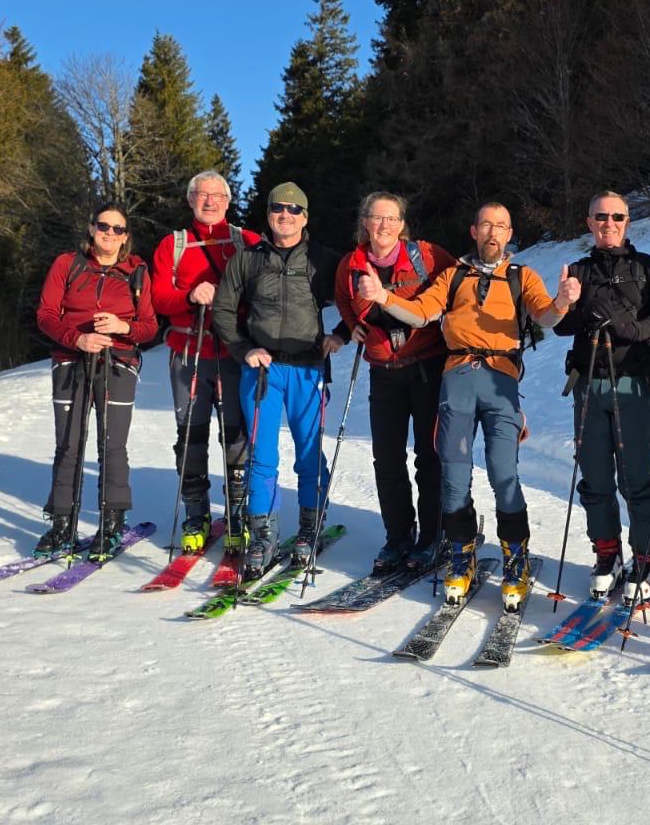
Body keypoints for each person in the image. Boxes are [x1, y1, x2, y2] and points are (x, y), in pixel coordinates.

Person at [355, 201, 581, 610]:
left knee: (503, 472)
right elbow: (422, 314)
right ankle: (461, 551)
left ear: (510, 234)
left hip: (501, 380)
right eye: (486, 225)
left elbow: (545, 315)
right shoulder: (453, 274)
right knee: (454, 474)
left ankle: (516, 556)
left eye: (502, 226)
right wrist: (383, 295)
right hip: (456, 379)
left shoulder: (521, 276)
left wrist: (563, 300)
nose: (493, 233)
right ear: (474, 231)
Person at [212, 182, 349, 581]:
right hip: (262, 372)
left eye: (293, 209)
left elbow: (355, 300)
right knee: (262, 457)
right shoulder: (248, 259)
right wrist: (242, 350)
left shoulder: (323, 260)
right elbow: (223, 309)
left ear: (305, 217)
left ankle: (310, 527)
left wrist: (339, 334)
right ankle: (262, 534)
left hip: (308, 370)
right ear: (268, 214)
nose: (284, 215)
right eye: (277, 209)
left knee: (309, 455)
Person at [552, 191, 650, 603]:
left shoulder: (648, 268)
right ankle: (607, 553)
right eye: (601, 216)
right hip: (589, 384)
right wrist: (564, 302)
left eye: (617, 216)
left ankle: (647, 556)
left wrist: (631, 330)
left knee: (636, 476)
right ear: (589, 221)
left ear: (627, 221)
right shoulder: (580, 270)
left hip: (632, 385)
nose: (609, 223)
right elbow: (559, 327)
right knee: (595, 477)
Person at [333, 192, 457, 572]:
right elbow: (343, 301)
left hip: (426, 367)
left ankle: (433, 537)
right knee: (386, 459)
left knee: (429, 456)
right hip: (383, 372)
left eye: (391, 219)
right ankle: (398, 536)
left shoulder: (428, 257)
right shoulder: (350, 266)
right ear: (365, 222)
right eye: (376, 218)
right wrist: (353, 327)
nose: (383, 225)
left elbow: (456, 289)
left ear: (402, 224)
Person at [34, 199, 158, 560]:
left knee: (112, 443)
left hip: (118, 361)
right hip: (71, 359)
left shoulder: (137, 272)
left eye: (117, 229)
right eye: (104, 226)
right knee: (69, 442)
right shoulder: (67, 264)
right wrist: (77, 338)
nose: (109, 234)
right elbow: (45, 314)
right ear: (91, 229)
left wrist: (122, 327)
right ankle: (61, 523)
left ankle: (112, 522)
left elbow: (150, 327)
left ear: (125, 237)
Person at [151, 170, 261, 554]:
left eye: (217, 195)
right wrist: (189, 295)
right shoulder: (173, 245)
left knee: (236, 437)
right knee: (191, 436)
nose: (210, 201)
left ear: (229, 201)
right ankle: (195, 513)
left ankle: (237, 514)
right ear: (190, 200)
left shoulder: (246, 241)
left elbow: (267, 290)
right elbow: (159, 298)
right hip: (189, 353)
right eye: (201, 195)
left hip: (232, 354)